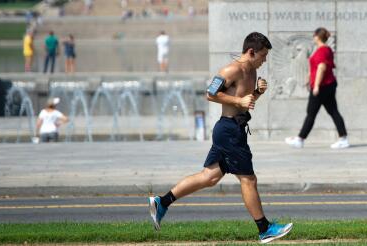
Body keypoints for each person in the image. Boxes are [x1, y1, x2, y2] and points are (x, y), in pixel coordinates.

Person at [148, 32, 293, 244]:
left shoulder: (251, 71)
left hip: (233, 130)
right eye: (262, 55)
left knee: (210, 177)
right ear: (251, 52)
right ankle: (265, 229)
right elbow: (210, 93)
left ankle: (162, 202)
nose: (265, 60)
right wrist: (240, 100)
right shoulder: (231, 69)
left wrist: (257, 93)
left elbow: (244, 101)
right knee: (248, 179)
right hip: (229, 131)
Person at [285, 27, 349, 149]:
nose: (313, 38)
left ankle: (300, 139)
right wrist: (309, 79)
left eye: (314, 36)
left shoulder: (323, 50)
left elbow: (321, 68)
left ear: (317, 36)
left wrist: (317, 86)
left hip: (323, 87)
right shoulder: (324, 49)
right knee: (333, 112)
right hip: (328, 85)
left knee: (311, 113)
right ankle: (343, 138)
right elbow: (316, 68)